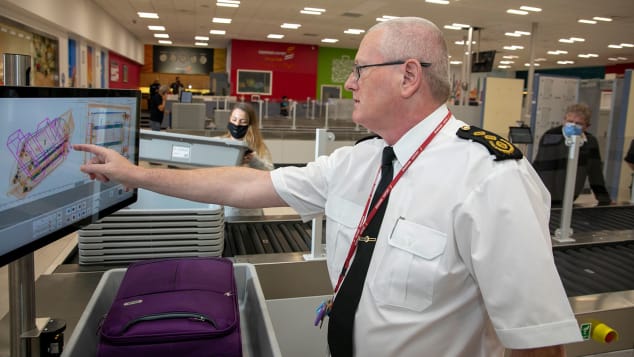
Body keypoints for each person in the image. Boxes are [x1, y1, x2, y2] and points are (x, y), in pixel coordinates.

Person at [74, 17, 581, 356]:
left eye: (360, 69)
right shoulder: (359, 161)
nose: (350, 82)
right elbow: (247, 187)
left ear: (408, 77)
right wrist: (133, 173)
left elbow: (537, 341)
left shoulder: (491, 177)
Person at [533, 103, 613, 206]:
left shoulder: (590, 142)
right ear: (564, 120)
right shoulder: (551, 136)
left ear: (587, 126)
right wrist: (552, 201)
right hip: (548, 197)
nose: (573, 125)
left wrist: (604, 199)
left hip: (571, 195)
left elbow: (595, 172)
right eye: (570, 121)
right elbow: (545, 170)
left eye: (578, 123)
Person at [220, 102, 274, 216]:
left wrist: (253, 160)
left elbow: (271, 175)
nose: (237, 124)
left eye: (243, 121)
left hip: (251, 212)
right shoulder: (219, 143)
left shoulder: (259, 147)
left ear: (250, 124)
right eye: (234, 120)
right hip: (224, 212)